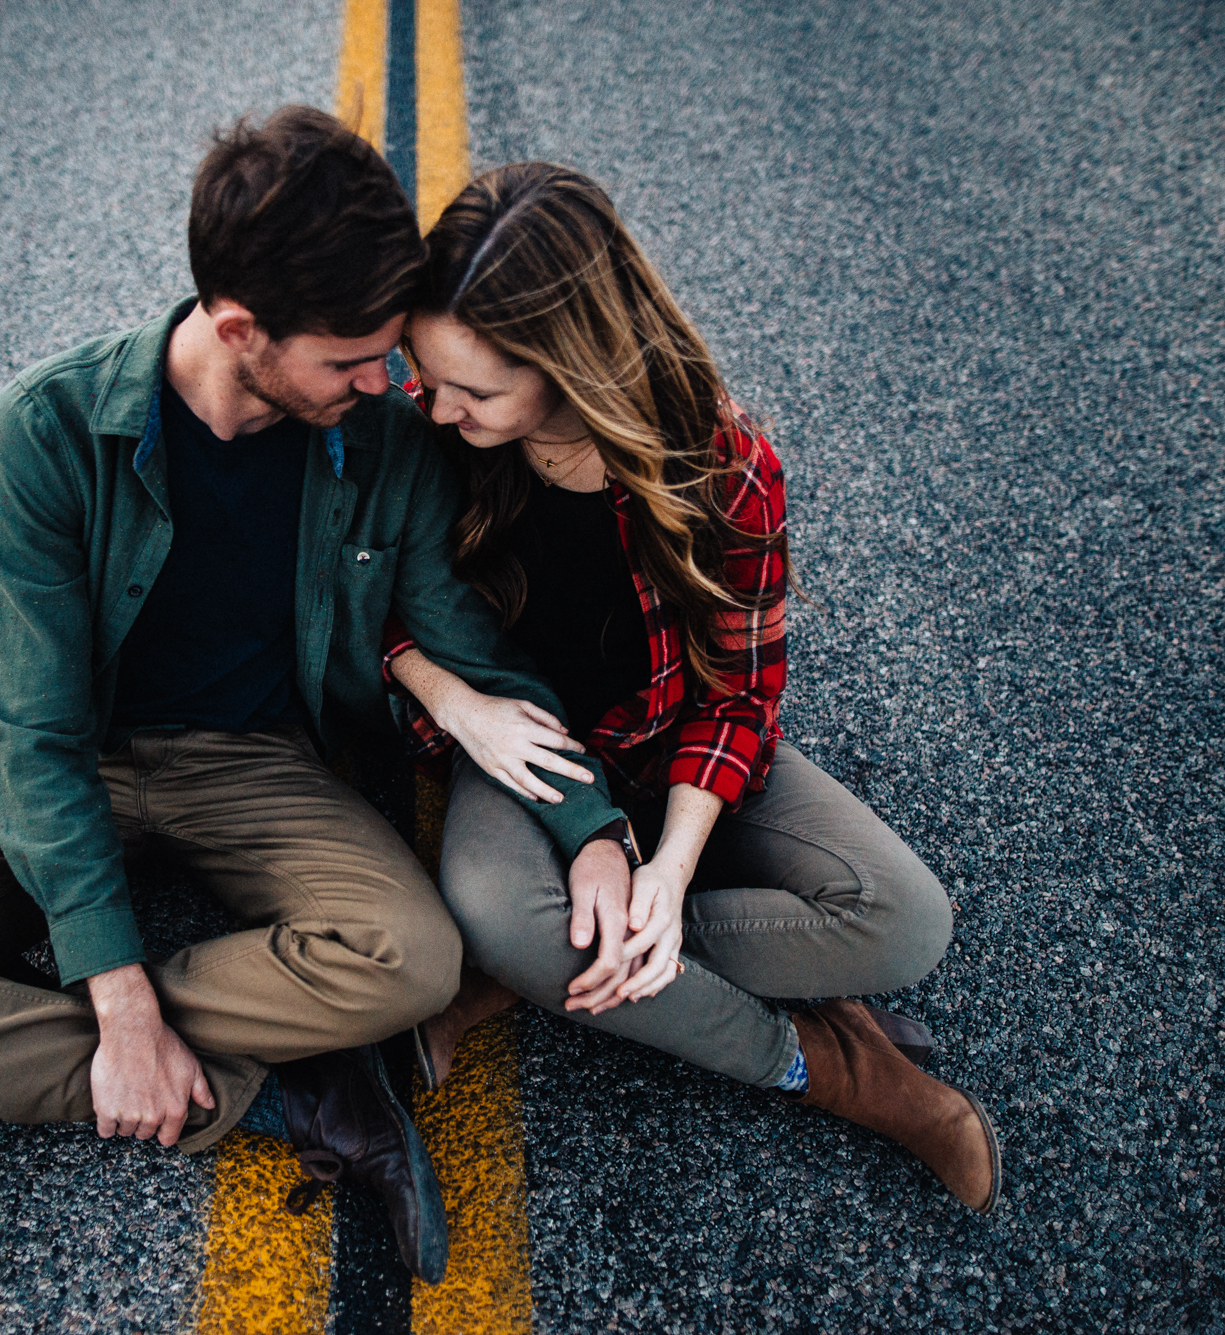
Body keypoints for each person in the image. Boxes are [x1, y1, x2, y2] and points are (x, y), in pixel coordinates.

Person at [0, 112, 632, 1279]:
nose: (387, 384)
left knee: (409, 959)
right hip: (77, 761)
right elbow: (26, 733)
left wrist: (591, 828)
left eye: (387, 355)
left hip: (258, 763)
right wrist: (118, 1005)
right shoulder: (47, 433)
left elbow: (468, 650)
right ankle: (294, 1102)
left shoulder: (381, 437)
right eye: (349, 359)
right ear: (237, 329)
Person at [382, 163, 1001, 1213]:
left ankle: (546, 973)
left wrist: (666, 872)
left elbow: (741, 694)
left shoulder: (723, 466)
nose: (433, 408)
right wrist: (449, 696)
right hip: (526, 747)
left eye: (473, 390)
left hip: (673, 740)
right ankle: (829, 1065)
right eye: (423, 375)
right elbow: (367, 597)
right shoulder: (433, 433)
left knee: (903, 921)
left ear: (567, 366)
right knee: (497, 909)